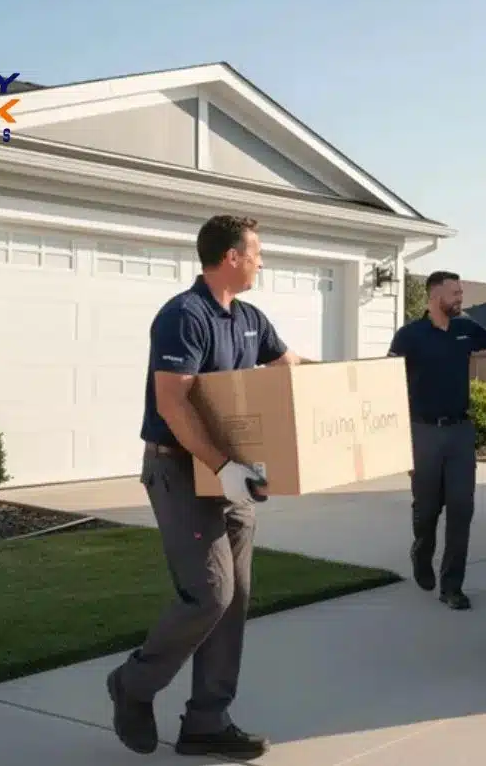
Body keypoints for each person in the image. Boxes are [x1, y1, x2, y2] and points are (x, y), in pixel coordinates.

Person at [107, 214, 312, 760]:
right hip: (181, 470)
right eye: (257, 252)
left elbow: (293, 367)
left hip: (233, 475)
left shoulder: (250, 318)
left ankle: (206, 720)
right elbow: (174, 404)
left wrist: (364, 384)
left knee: (236, 599)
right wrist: (223, 466)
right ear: (231, 257)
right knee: (210, 593)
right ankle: (133, 684)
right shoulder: (184, 316)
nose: (262, 262)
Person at [388, 271, 486, 610]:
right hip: (422, 432)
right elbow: (387, 379)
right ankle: (421, 550)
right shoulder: (409, 336)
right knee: (427, 509)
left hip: (460, 432)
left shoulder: (464, 329)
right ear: (434, 296)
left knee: (462, 508)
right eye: (454, 293)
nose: (460, 298)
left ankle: (452, 586)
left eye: (461, 292)